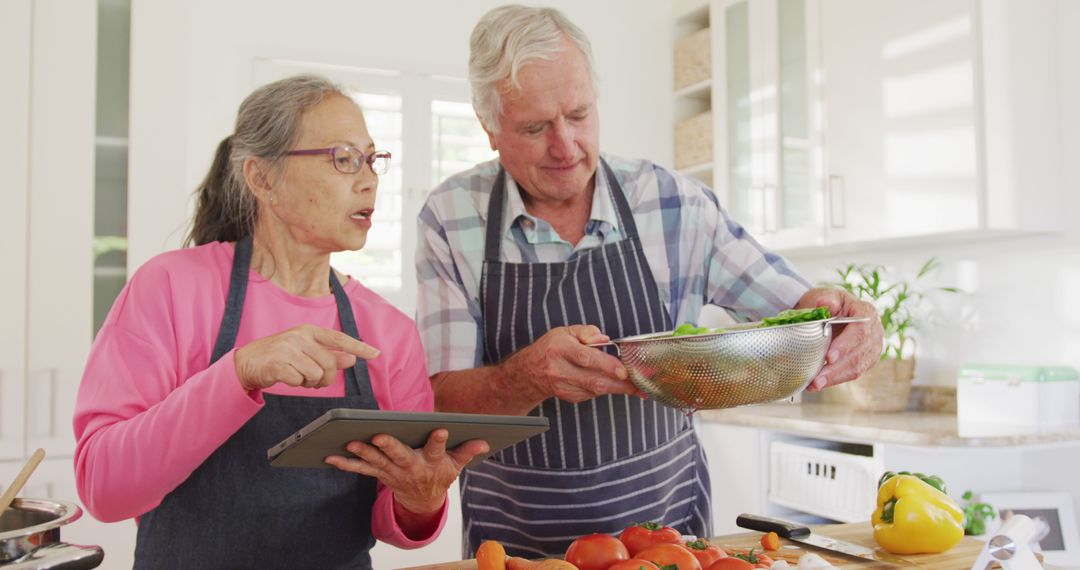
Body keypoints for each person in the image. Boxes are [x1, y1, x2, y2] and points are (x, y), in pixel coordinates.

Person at [415, 5, 884, 559]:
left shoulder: (672, 202)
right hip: (517, 546)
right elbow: (439, 404)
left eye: (579, 114)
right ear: (489, 127)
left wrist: (852, 320)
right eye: (535, 128)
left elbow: (800, 308)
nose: (566, 146)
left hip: (668, 541)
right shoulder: (450, 217)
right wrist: (525, 376)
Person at [73, 75, 488, 569]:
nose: (369, 180)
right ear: (262, 178)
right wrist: (238, 372)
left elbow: (389, 517)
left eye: (372, 159)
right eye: (343, 158)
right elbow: (104, 488)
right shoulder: (169, 289)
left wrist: (420, 501)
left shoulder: (388, 333)